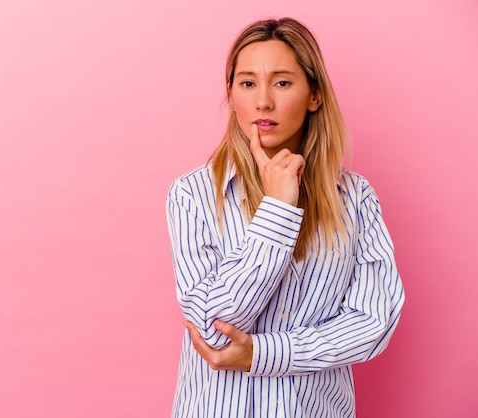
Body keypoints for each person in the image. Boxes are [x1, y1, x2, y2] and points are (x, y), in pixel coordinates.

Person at [165, 17, 405, 418]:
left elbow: (373, 322)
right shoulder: (192, 195)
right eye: (247, 83)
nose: (262, 102)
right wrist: (277, 210)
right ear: (231, 94)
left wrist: (263, 353)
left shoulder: (356, 198)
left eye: (281, 82)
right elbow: (213, 327)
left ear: (314, 95)